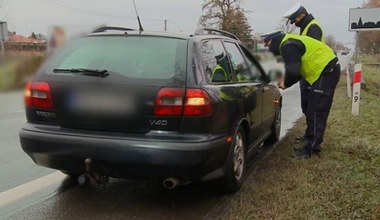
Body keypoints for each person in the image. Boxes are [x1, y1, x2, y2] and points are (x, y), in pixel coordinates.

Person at [262, 31, 340, 159]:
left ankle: (312, 149)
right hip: (321, 72)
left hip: (326, 71)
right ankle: (309, 137)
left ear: (275, 40)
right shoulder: (288, 43)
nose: (267, 47)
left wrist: (285, 83)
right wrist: (284, 79)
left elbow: (293, 72)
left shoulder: (287, 45)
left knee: (317, 110)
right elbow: (295, 69)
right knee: (310, 107)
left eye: (268, 43)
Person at [283, 3, 325, 143]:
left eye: (295, 19)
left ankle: (312, 140)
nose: (294, 23)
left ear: (302, 15)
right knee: (306, 106)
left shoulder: (313, 27)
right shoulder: (306, 27)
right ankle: (309, 135)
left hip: (313, 75)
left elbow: (311, 53)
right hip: (309, 74)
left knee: (312, 107)